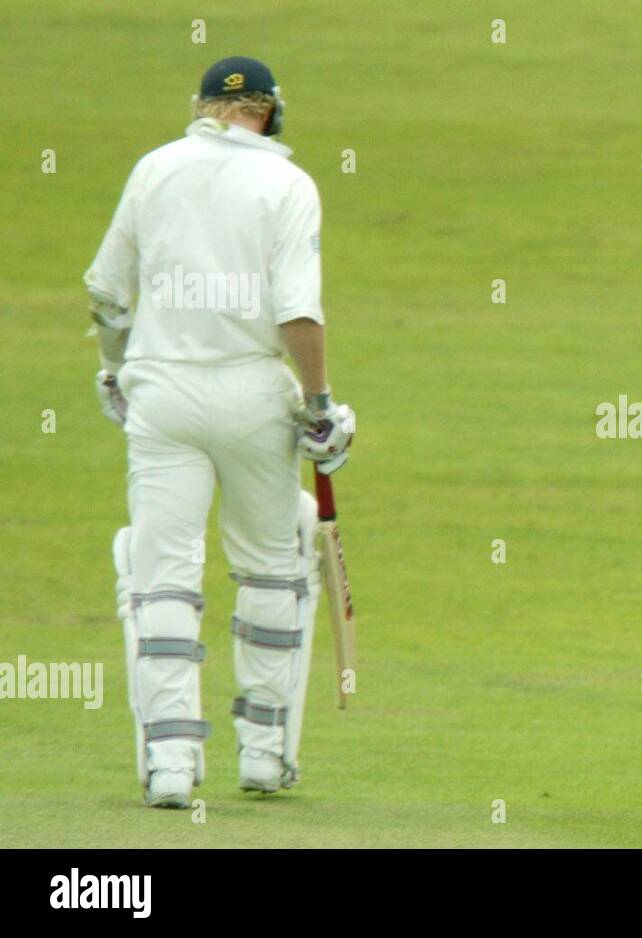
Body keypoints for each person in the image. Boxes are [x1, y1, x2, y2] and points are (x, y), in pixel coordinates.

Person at [84, 55, 355, 807]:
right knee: (272, 564)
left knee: (160, 571)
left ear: (203, 107)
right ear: (269, 111)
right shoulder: (288, 184)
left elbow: (107, 292)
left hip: (161, 392)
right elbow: (297, 312)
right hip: (249, 393)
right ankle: (264, 755)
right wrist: (321, 403)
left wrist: (115, 371)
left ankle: (170, 765)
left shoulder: (154, 169)